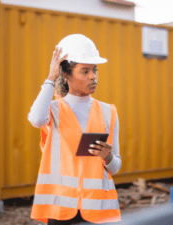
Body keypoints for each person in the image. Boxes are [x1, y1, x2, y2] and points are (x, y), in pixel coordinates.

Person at [28, 34, 122, 225]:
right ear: (66, 74)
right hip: (61, 209)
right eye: (85, 71)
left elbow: (115, 166)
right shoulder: (53, 110)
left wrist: (108, 157)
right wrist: (50, 78)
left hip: (97, 211)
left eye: (94, 70)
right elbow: (36, 119)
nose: (93, 76)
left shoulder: (108, 112)